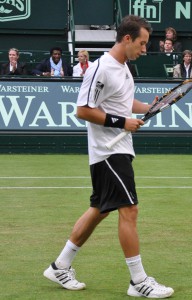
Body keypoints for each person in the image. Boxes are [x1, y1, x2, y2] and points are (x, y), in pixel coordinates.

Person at [43, 15, 174, 299]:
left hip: (117, 149)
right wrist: (122, 122)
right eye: (142, 43)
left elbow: (124, 103)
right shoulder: (101, 68)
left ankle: (60, 265)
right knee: (130, 210)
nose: (144, 49)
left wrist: (148, 106)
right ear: (127, 39)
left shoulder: (124, 68)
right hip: (108, 151)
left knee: (99, 210)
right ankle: (138, 281)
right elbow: (83, 110)